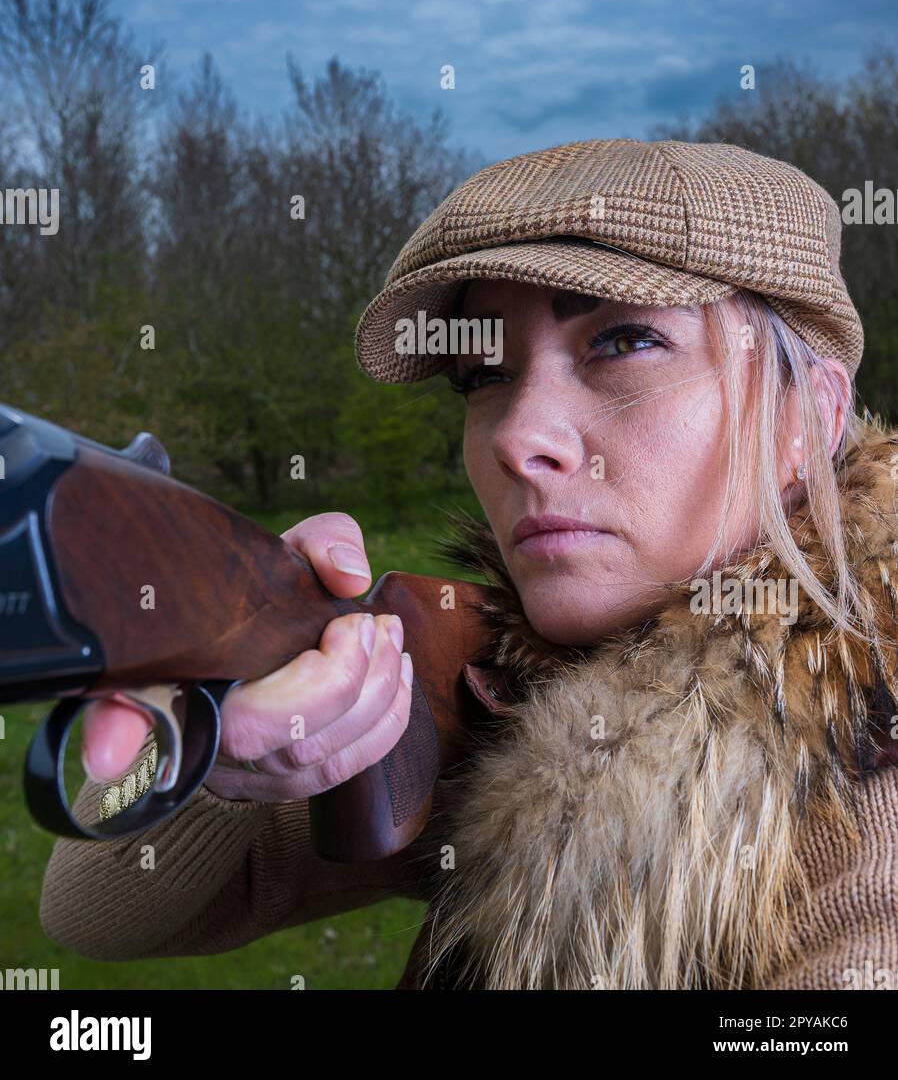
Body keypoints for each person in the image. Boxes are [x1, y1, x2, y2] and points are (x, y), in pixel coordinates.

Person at [40, 137, 898, 990]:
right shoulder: (496, 685)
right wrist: (230, 707)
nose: (520, 436)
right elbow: (93, 905)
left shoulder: (875, 795)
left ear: (807, 419)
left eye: (625, 341)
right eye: (483, 376)